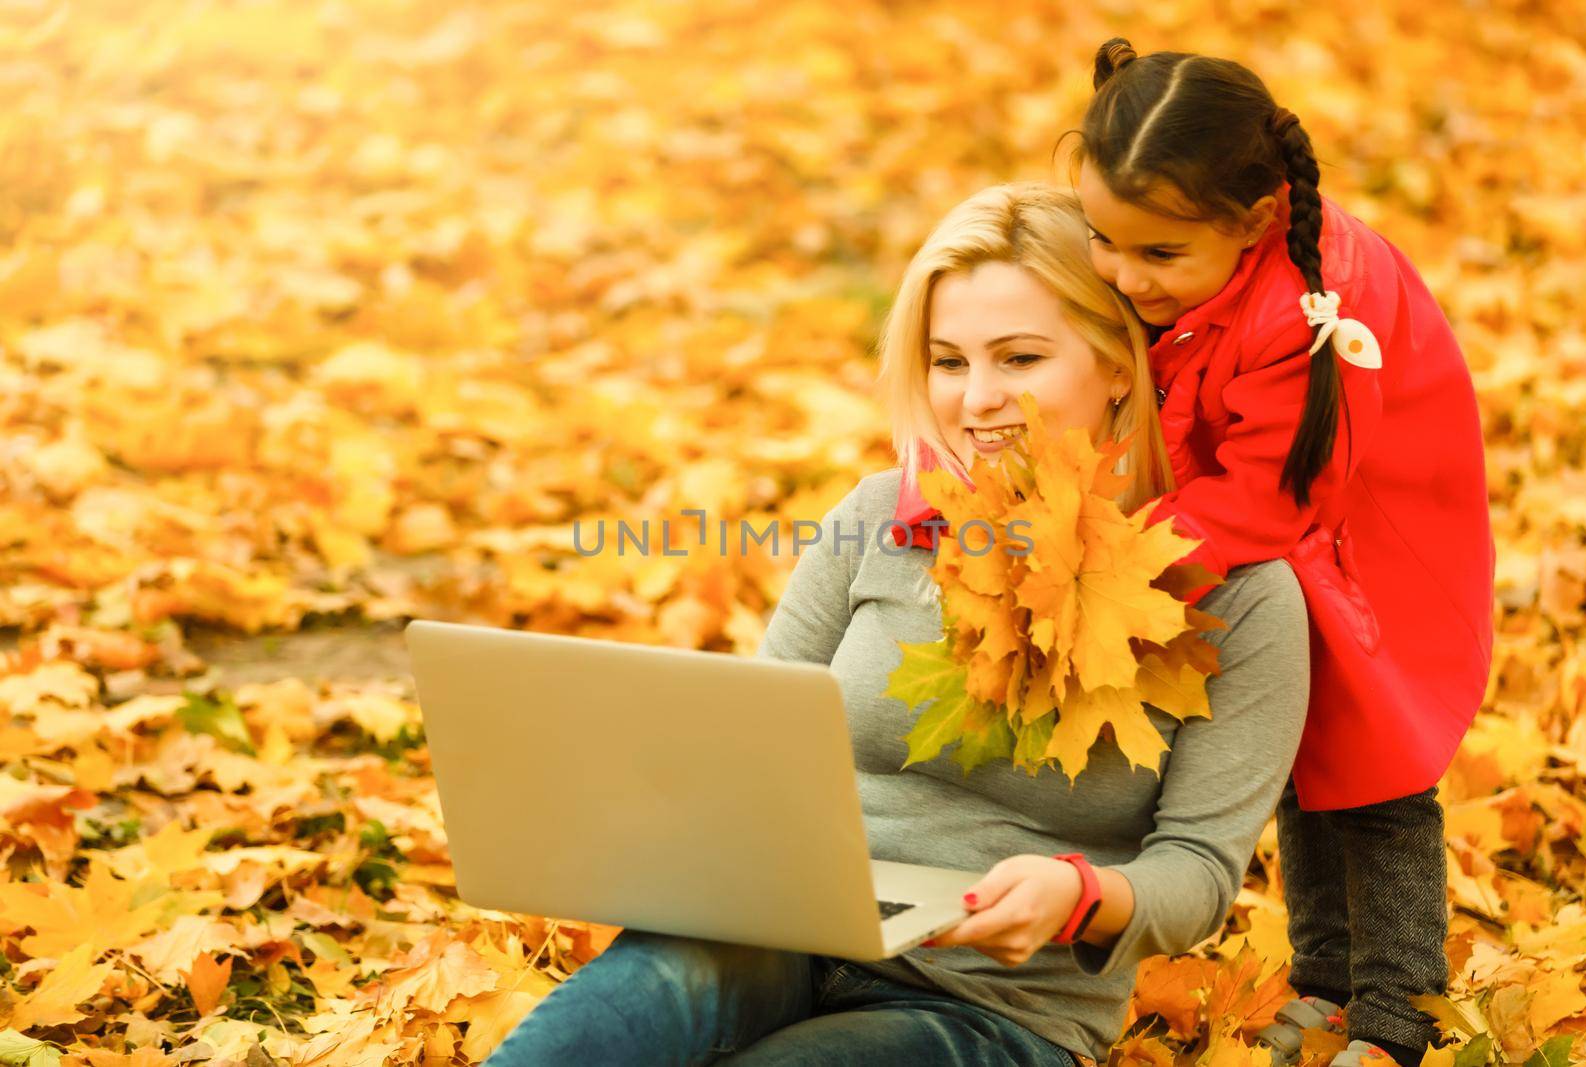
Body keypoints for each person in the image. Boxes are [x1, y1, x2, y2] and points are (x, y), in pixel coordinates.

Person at [483, 182, 1311, 1067]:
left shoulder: (1236, 592)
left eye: (1019, 359)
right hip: (782, 929)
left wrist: (1078, 896)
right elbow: (750, 749)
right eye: (948, 362)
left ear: (1118, 364)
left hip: (996, 1010)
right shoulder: (879, 518)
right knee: (591, 1031)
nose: (975, 398)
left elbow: (1199, 871)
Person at [1057, 38, 1496, 1067]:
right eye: (1102, 240)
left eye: (1157, 255)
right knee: (1296, 753)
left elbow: (1268, 492)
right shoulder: (1187, 264)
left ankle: (1396, 1011)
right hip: (1261, 524)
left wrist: (1119, 560)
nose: (1123, 274)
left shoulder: (1312, 314)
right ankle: (1325, 978)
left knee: (1373, 768)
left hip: (1366, 531)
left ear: (1253, 222)